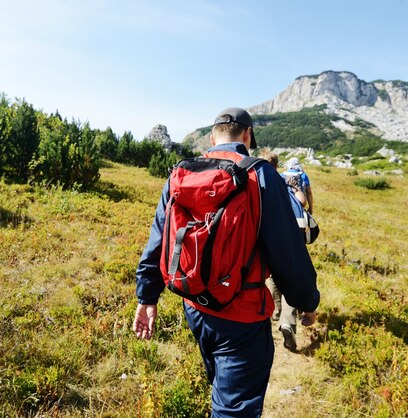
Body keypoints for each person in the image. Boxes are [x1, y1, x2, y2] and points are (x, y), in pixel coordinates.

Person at [134, 107, 319, 417]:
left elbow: (159, 238)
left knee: (221, 387)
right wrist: (306, 301)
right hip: (242, 317)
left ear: (212, 136)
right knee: (234, 409)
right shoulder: (260, 175)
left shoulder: (183, 172)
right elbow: (287, 252)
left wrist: (147, 297)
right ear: (247, 136)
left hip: (195, 306)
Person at [260, 151, 306, 352]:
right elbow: (301, 202)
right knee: (292, 276)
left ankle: (276, 310)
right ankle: (287, 320)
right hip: (291, 233)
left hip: (267, 235)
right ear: (277, 165)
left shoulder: (258, 180)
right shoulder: (285, 180)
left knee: (272, 273)